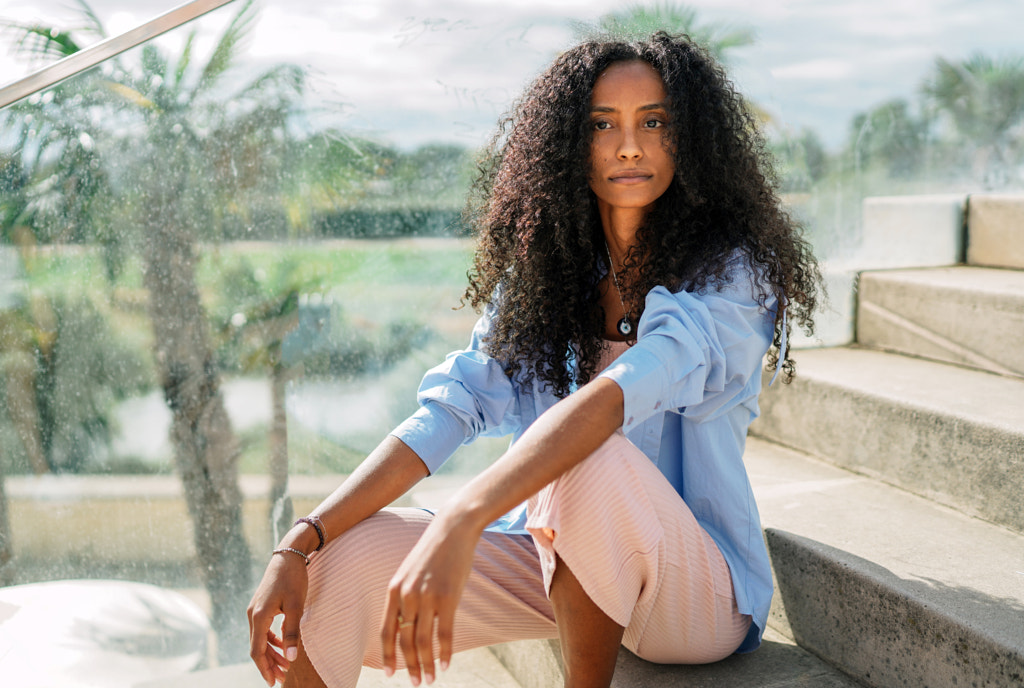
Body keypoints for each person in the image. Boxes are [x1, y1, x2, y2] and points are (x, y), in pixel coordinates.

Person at [247, 32, 819, 688]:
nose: (628, 145)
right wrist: (301, 539)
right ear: (571, 146)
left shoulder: (731, 275)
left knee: (587, 454)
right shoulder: (549, 276)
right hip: (557, 560)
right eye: (603, 125)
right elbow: (451, 408)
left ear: (689, 140)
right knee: (338, 565)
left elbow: (622, 393)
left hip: (693, 593)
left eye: (653, 122)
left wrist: (464, 516)